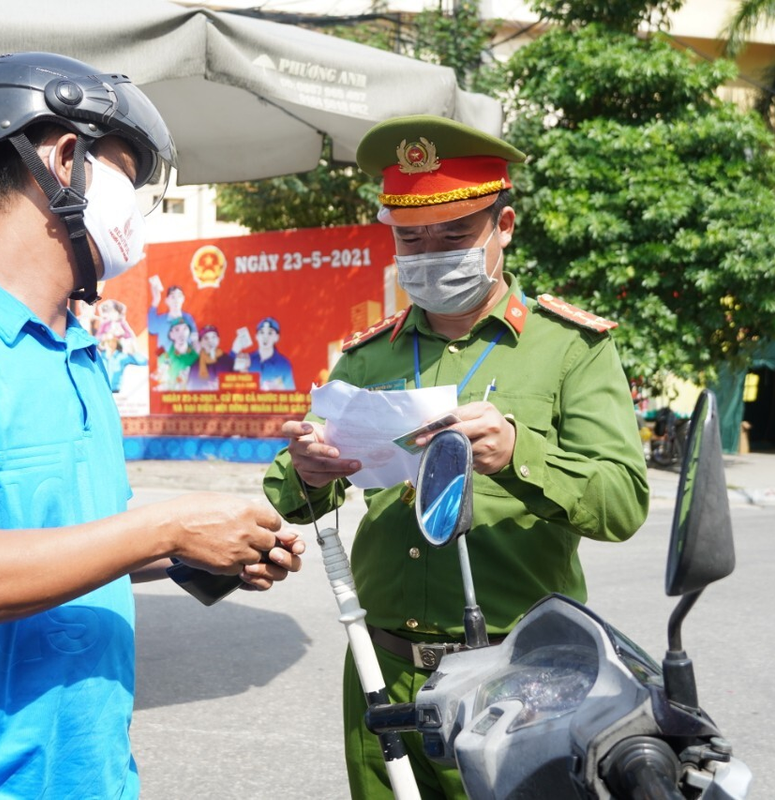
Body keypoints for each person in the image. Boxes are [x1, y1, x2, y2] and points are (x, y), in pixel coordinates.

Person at [0, 52, 303, 799]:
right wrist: (163, 528)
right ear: (63, 160)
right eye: (126, 177)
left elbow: (74, 538)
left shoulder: (77, 351)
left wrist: (194, 551)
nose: (137, 214)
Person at [262, 115, 649, 799]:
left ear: (504, 227)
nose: (430, 254)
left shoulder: (570, 348)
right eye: (411, 238)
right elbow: (291, 491)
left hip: (519, 676)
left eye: (453, 234)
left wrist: (519, 454)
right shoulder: (369, 355)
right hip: (381, 666)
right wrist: (308, 469)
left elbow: (622, 503)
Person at [238, 316, 295, 391]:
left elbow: (291, 393)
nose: (265, 337)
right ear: (256, 336)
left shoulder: (283, 364)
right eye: (262, 332)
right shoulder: (246, 359)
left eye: (270, 333)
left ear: (277, 337)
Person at [189, 324, 235, 391]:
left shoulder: (228, 361)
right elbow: (192, 388)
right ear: (200, 342)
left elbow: (236, 384)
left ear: (218, 339)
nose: (210, 341)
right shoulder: (195, 365)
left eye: (213, 337)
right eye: (206, 338)